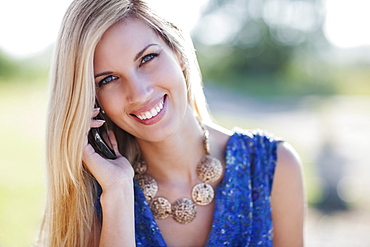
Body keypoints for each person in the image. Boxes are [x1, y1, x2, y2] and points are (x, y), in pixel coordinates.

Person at [38, 0, 305, 246]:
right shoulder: (92, 200)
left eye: (147, 58)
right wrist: (118, 194)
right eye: (108, 80)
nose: (139, 93)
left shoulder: (272, 166)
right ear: (92, 101)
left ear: (178, 52)